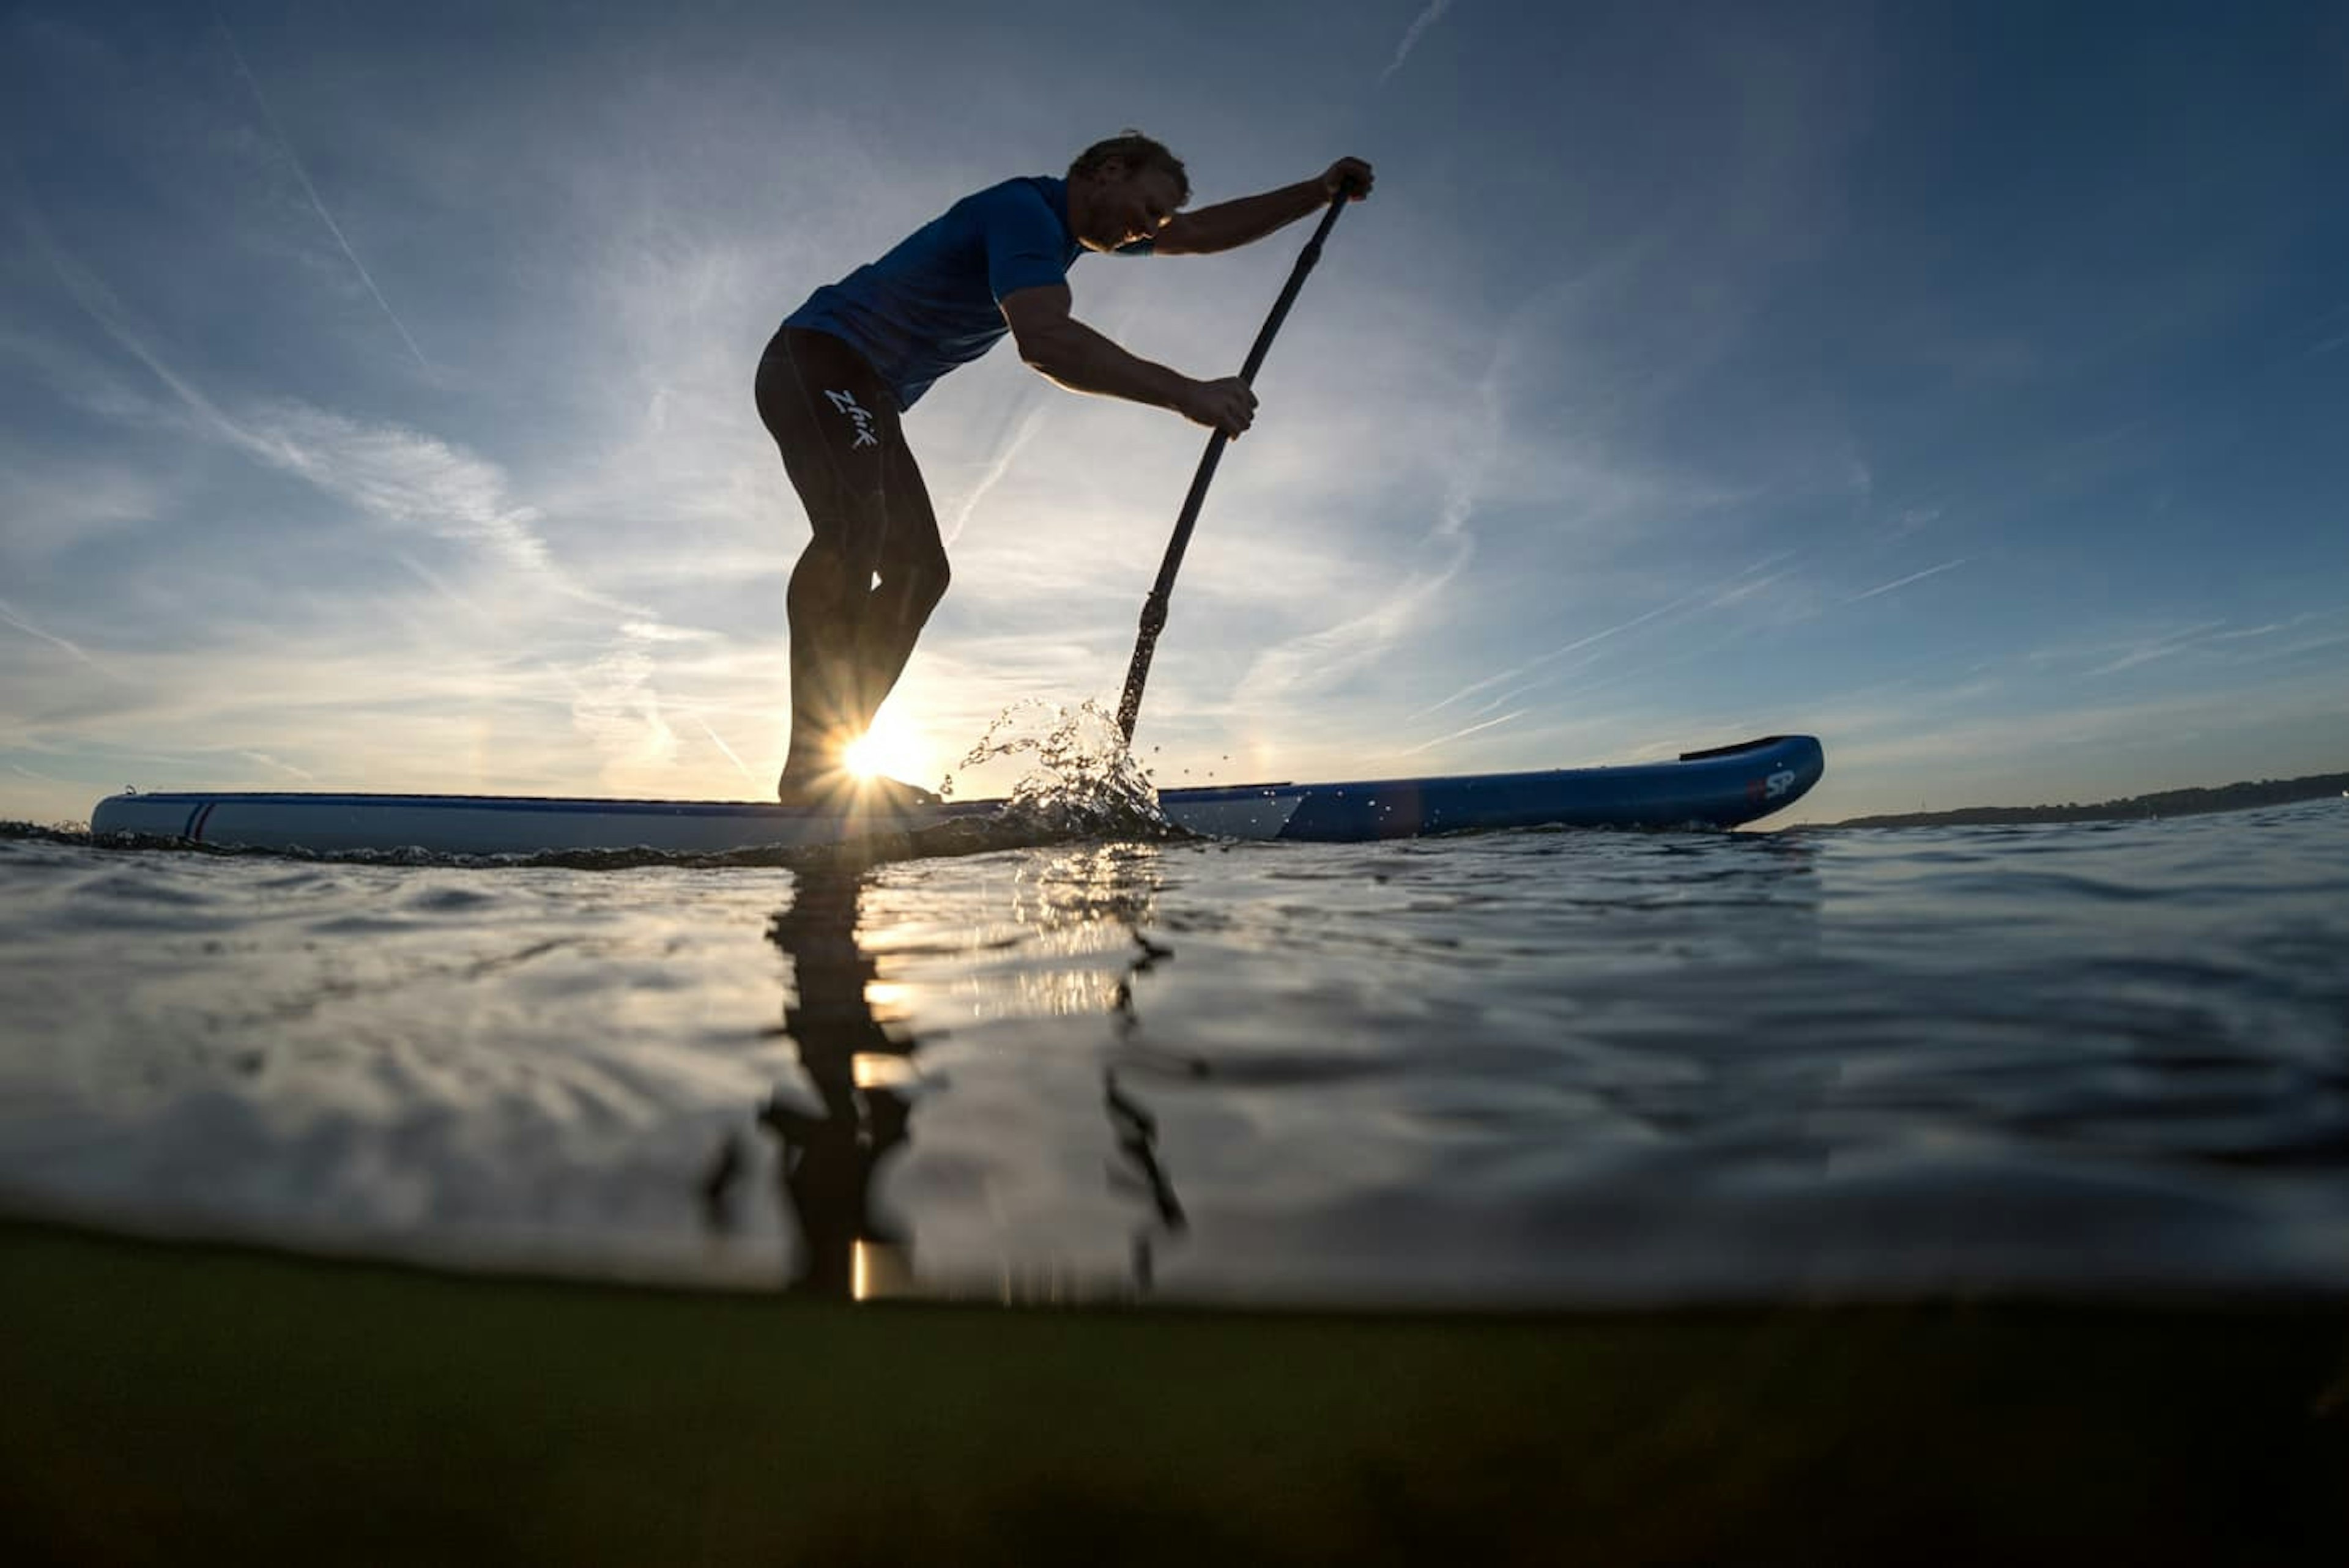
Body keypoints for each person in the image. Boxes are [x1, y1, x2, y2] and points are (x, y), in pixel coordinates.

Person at [757, 131, 1375, 808]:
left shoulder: (1077, 233)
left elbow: (1199, 231)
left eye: (1156, 221)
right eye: (1146, 207)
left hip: (870, 391)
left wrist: (1317, 192)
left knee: (918, 572)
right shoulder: (1026, 212)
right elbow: (1046, 343)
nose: (1150, 229)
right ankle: (814, 774)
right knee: (855, 531)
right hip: (816, 359)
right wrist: (1186, 392)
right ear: (1107, 172)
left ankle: (831, 767)